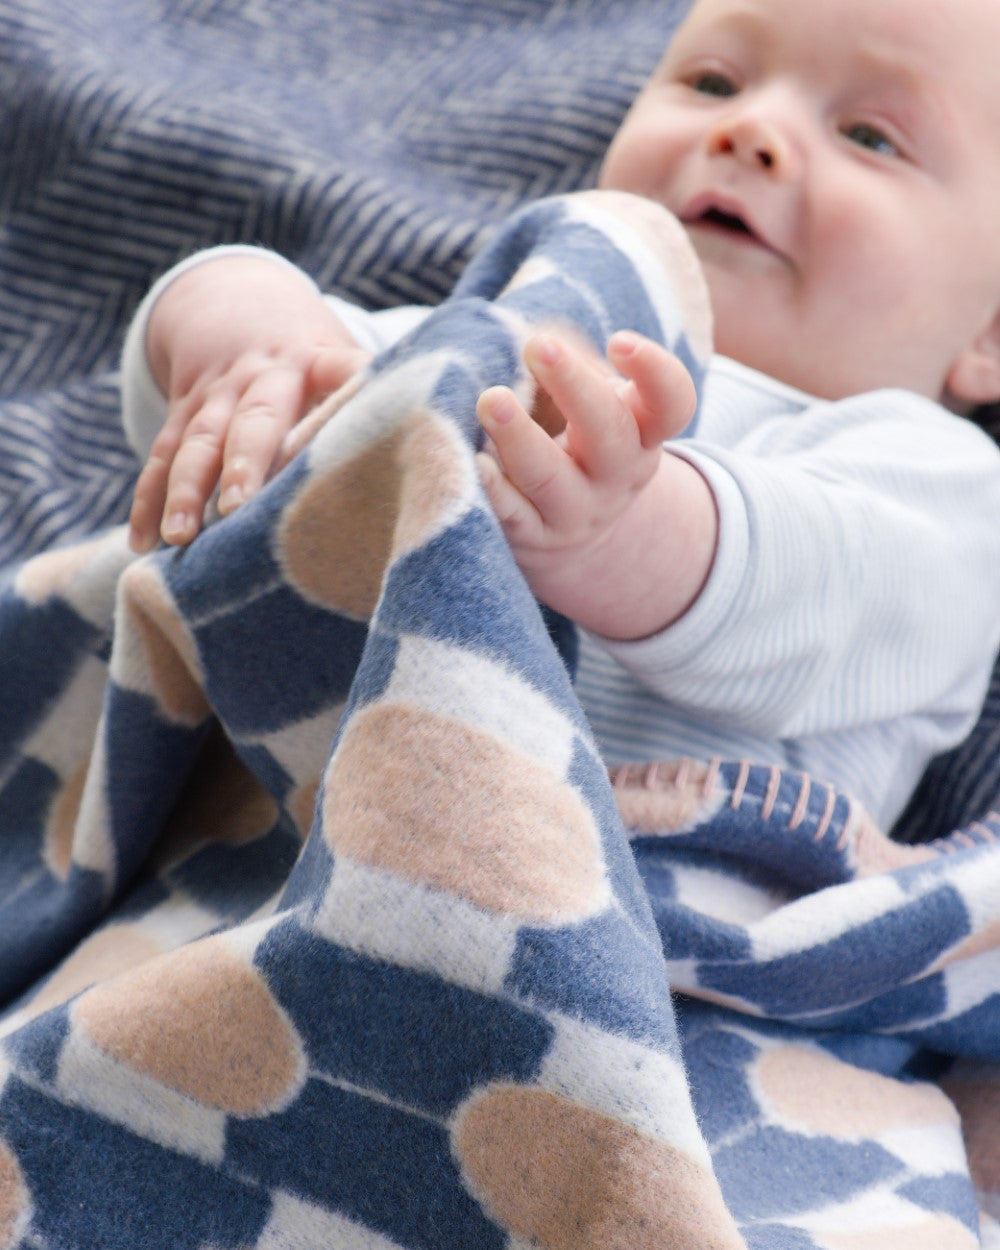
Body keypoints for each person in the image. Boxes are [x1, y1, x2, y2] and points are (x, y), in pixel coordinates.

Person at [120, 0, 1000, 830]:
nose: (750, 131)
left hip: (606, 937)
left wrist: (632, 536)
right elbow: (294, 406)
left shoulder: (940, 481)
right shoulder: (528, 333)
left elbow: (826, 588)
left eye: (869, 137)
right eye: (713, 84)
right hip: (277, 831)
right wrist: (241, 329)